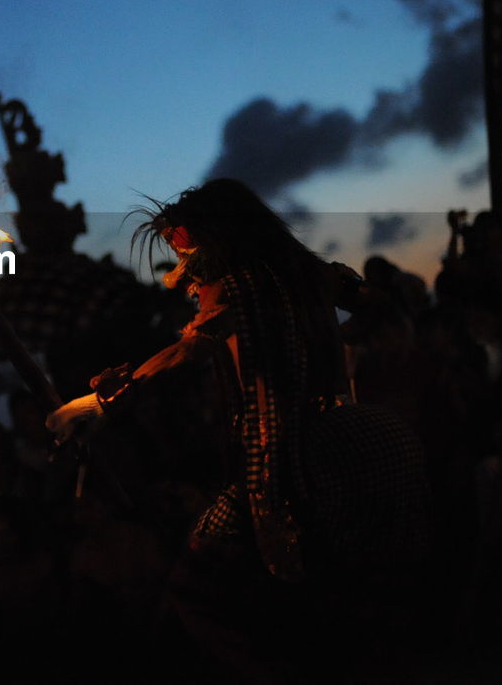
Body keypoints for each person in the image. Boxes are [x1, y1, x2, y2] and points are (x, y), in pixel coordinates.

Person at [46, 179, 429, 679]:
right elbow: (376, 305)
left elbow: (190, 349)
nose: (186, 272)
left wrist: (103, 402)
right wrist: (332, 338)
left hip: (300, 452)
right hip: (374, 434)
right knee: (348, 593)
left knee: (195, 586)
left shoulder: (237, 286)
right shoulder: (310, 273)